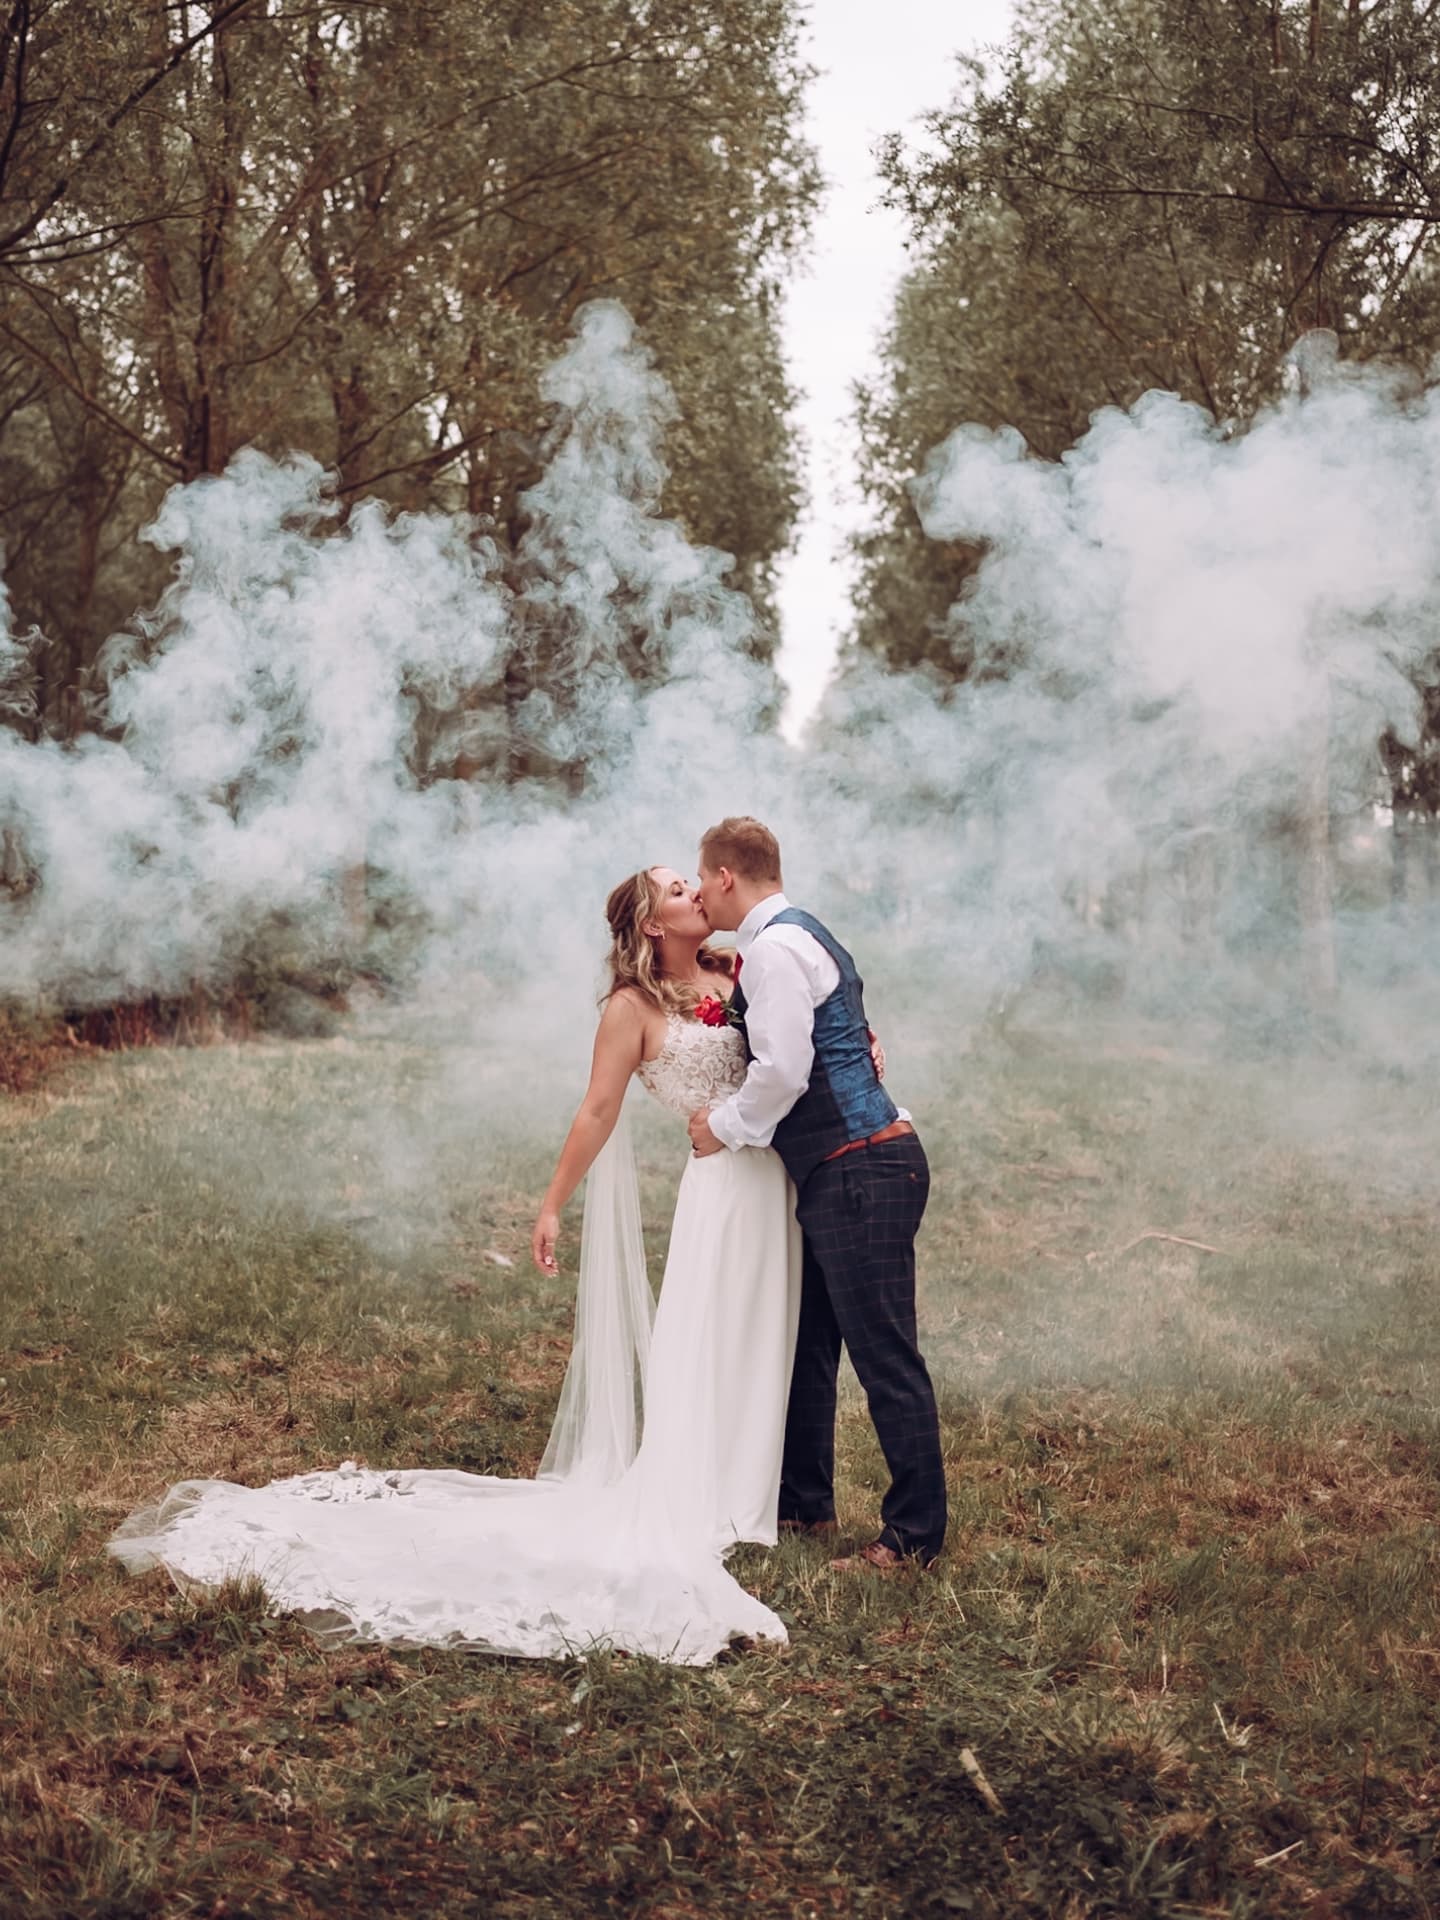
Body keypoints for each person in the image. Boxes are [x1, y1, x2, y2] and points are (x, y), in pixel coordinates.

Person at [110, 867, 802, 1667]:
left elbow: (794, 1042)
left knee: (763, 1331)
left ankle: (762, 1488)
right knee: (710, 1334)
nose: (695, 894)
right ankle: (713, 1494)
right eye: (677, 890)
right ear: (651, 924)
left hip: (773, 1174)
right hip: (718, 1184)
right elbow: (598, 1109)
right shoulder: (630, 1009)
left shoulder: (736, 970)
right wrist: (551, 1205)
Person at [689, 816, 947, 1570]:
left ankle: (913, 1537)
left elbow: (784, 1072)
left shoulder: (773, 949)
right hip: (846, 1169)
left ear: (726, 876)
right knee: (809, 1344)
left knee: (885, 1357)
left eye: (702, 879)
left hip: (861, 1168)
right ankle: (804, 1504)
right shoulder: (801, 934)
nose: (700, 893)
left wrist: (722, 1128)